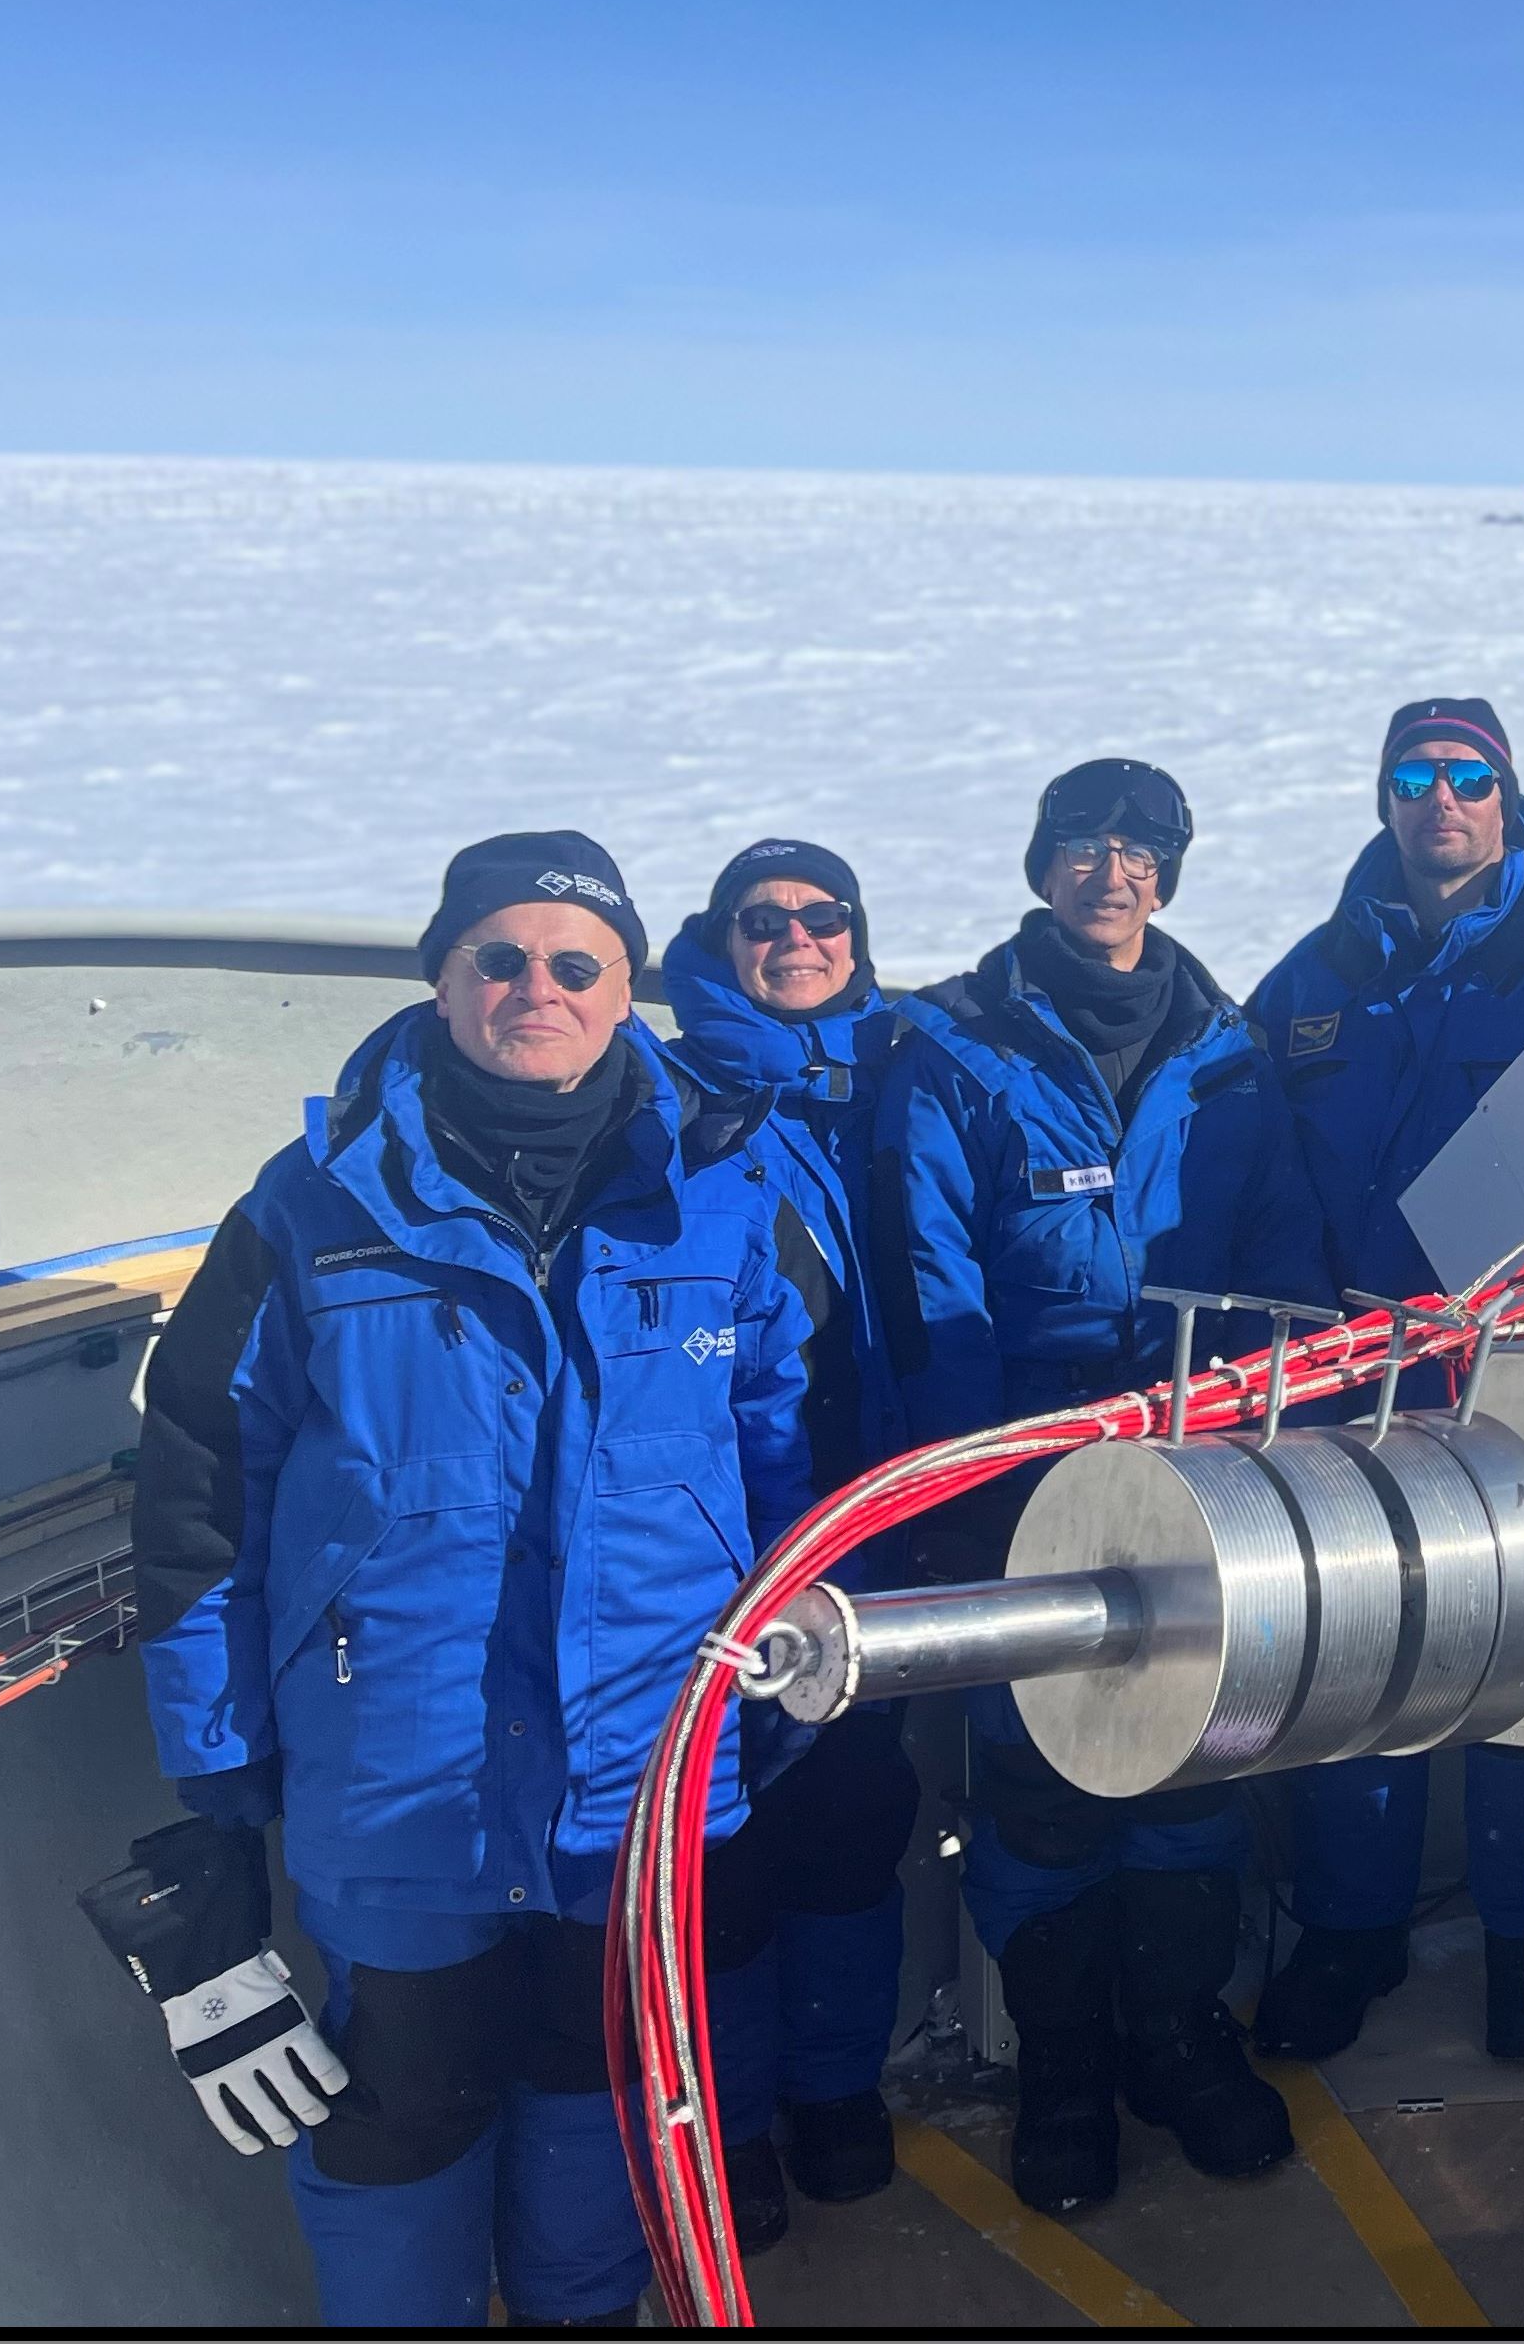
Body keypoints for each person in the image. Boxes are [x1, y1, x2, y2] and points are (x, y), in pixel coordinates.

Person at [115, 832, 814, 2327]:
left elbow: (785, 1467)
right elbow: (201, 1489)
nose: (535, 986)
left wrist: (783, 1688)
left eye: (576, 962)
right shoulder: (307, 1207)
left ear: (627, 989)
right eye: (498, 956)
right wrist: (219, 1762)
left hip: (643, 1760)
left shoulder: (730, 1196)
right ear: (442, 979)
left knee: (601, 2081)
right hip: (397, 1766)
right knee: (402, 2109)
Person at [871, 758, 1327, 2214]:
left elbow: (1284, 1262)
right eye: (1082, 844)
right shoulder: (956, 1046)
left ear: (1167, 877)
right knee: (1044, 1775)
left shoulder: (1227, 1049)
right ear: (1042, 864)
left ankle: (1176, 2036)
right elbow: (931, 1279)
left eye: (1138, 850)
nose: (1109, 871)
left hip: (1196, 1467)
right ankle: (1065, 2060)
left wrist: (1276, 1454)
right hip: (1027, 1471)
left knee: (1191, 1755)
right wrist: (972, 1491)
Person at [1242, 698, 1524, 2065]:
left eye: (1467, 775)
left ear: (1507, 797)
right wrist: (1300, 1332)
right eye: (1415, 775)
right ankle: (1353, 1927)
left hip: (1521, 1366)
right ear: (1385, 798)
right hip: (1345, 1369)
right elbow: (1256, 1161)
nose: (1440, 798)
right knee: (1361, 1644)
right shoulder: (1312, 981)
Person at [654, 839, 922, 2248]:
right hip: (731, 1528)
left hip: (883, 1517)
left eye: (826, 916)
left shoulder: (904, 1071)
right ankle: (737, 2115)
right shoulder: (671, 1096)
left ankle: (837, 2086)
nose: (798, 938)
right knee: (732, 1844)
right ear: (721, 940)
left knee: (857, 1818)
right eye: (764, 920)